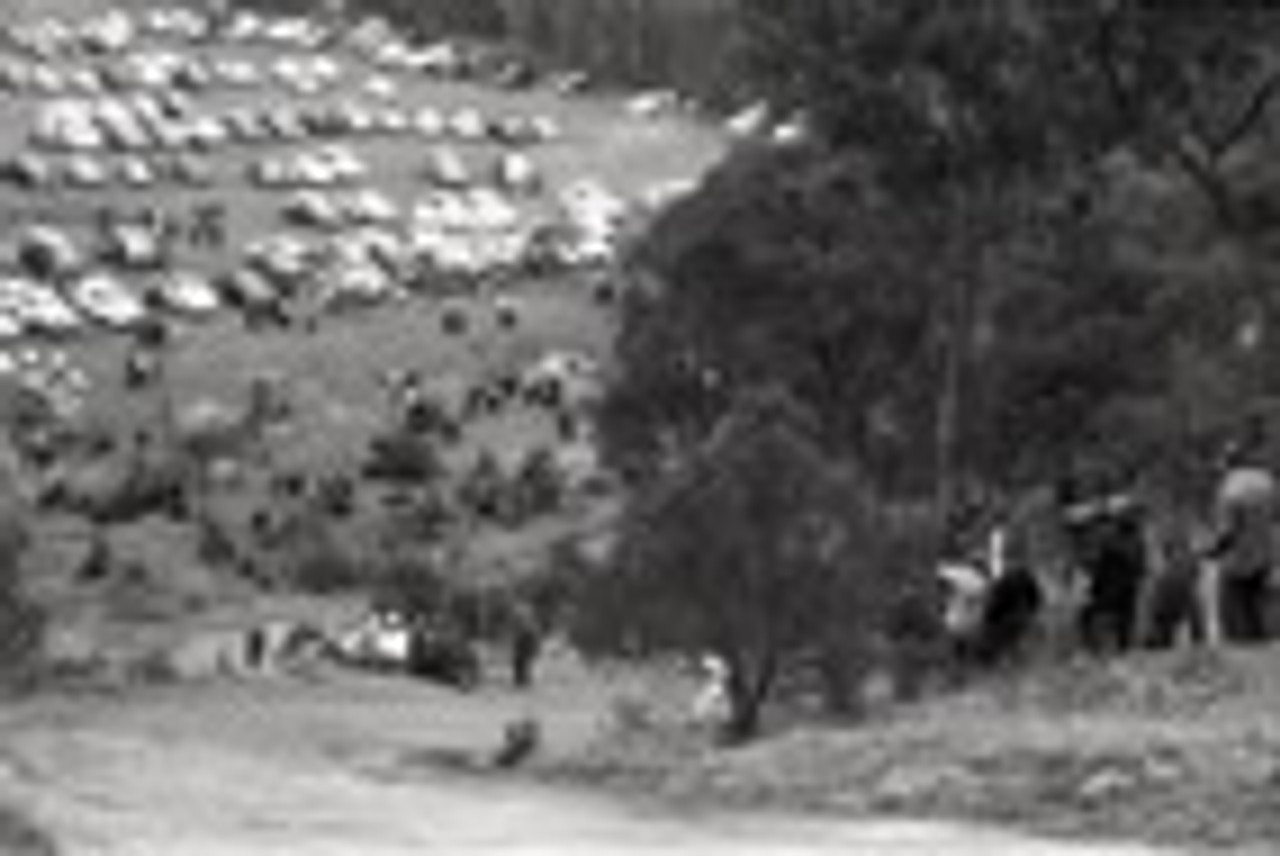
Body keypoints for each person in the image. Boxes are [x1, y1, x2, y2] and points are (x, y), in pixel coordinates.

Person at [1208, 446, 1278, 644]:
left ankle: (1241, 651)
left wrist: (1212, 550)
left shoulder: (1229, 488)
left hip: (1236, 560)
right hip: (1265, 555)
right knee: (1259, 608)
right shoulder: (1267, 481)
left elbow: (1228, 529)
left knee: (1234, 611)